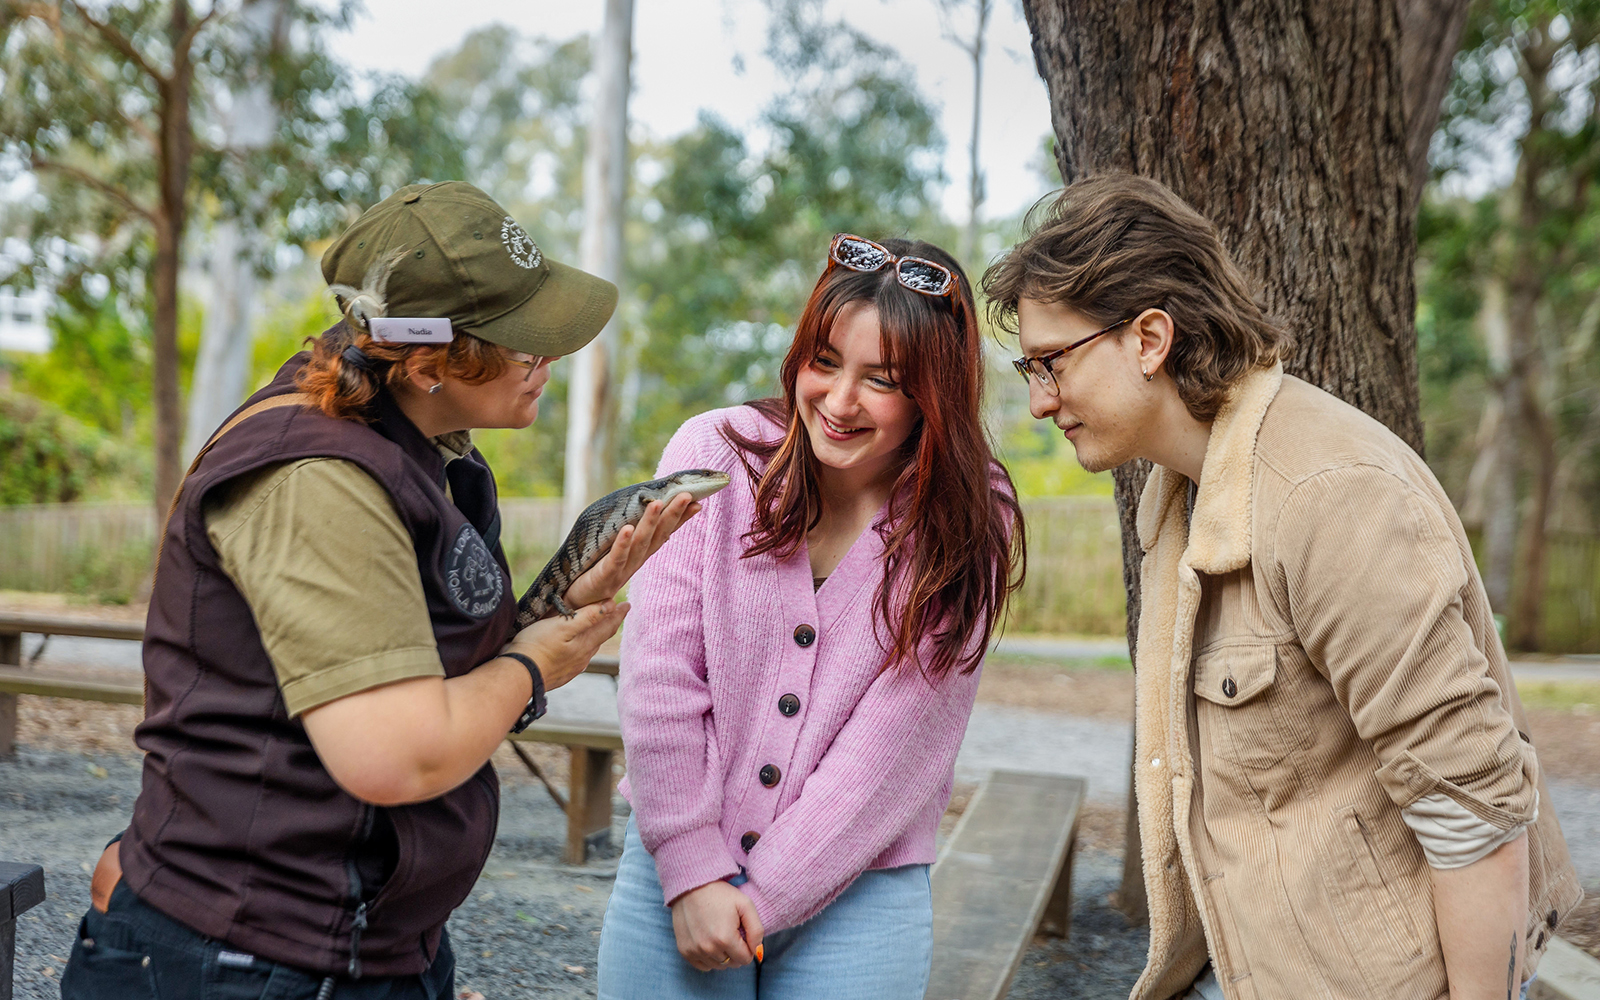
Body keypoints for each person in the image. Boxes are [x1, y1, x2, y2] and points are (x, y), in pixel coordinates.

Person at [60, 181, 702, 999]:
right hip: (252, 961)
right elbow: (395, 753)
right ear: (430, 361)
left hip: (368, 946)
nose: (551, 361)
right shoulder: (318, 478)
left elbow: (435, 669)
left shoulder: (432, 451)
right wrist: (535, 668)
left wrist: (563, 606)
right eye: (525, 344)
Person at [984, 172, 1583, 1000]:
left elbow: (1473, 808)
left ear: (1149, 339)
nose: (1040, 400)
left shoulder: (1326, 493)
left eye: (1051, 363)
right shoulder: (1177, 493)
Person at [594, 234, 1025, 998]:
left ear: (936, 393)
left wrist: (754, 906)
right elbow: (660, 674)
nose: (838, 400)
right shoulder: (715, 456)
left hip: (862, 890)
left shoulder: (970, 518)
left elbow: (889, 755)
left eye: (883, 380)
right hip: (678, 875)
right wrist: (692, 870)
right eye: (824, 362)